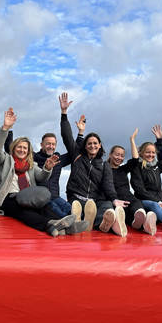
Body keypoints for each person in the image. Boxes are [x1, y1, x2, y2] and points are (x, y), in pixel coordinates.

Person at [0, 108, 89, 236]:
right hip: (9, 198)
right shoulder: (5, 160)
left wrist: (47, 168)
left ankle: (66, 225)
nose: (22, 150)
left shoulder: (31, 165)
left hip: (29, 196)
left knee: (45, 207)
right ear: (13, 148)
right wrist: (5, 128)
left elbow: (41, 176)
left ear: (28, 151)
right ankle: (49, 225)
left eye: (25, 148)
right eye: (19, 147)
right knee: (24, 211)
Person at [59, 93, 127, 236]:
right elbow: (67, 137)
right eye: (89, 143)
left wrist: (114, 199)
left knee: (107, 206)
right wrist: (64, 113)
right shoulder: (77, 155)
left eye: (95, 143)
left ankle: (101, 222)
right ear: (85, 145)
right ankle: (83, 219)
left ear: (100, 145)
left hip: (96, 200)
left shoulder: (103, 164)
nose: (92, 145)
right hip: (76, 197)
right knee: (75, 206)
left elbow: (108, 184)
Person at [33, 115, 86, 218]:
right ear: (41, 144)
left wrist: (80, 134)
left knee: (68, 207)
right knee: (55, 208)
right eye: (48, 144)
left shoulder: (59, 159)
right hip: (41, 197)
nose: (51, 146)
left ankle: (81, 219)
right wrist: (9, 129)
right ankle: (67, 220)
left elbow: (74, 151)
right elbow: (14, 150)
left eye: (53, 144)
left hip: (55, 196)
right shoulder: (34, 158)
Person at [108, 131, 156, 236]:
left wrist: (132, 140)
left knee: (136, 203)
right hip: (116, 199)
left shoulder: (123, 169)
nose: (119, 158)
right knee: (124, 212)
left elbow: (135, 160)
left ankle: (142, 217)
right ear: (110, 154)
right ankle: (141, 224)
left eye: (122, 156)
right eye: (117, 155)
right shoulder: (104, 169)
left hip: (128, 197)